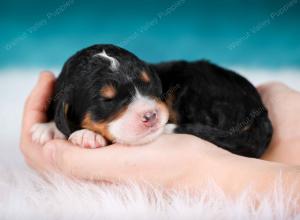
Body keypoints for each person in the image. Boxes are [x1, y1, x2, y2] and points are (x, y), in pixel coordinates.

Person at [20, 72, 300, 199]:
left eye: (146, 87)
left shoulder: (182, 85)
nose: (149, 112)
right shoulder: (70, 105)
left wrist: (198, 169)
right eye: (108, 102)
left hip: (232, 113)